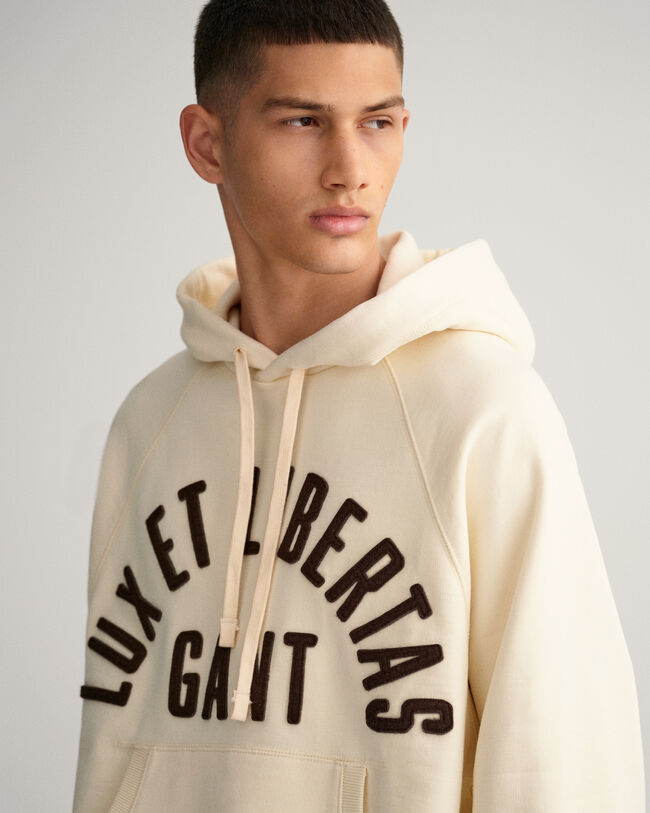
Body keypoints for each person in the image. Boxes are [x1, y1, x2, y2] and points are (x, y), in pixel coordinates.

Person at [72, 1, 645, 811]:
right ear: (207, 143)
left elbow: (564, 762)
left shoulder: (484, 409)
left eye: (377, 122)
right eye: (303, 122)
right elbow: (112, 733)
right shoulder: (151, 420)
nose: (350, 169)